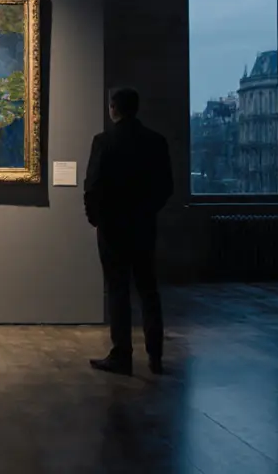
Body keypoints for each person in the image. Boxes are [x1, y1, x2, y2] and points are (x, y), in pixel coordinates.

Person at [83, 87, 174, 376]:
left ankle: (122, 354)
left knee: (118, 291)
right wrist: (148, 211)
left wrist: (96, 218)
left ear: (113, 108)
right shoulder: (156, 141)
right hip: (143, 225)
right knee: (149, 290)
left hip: (112, 226)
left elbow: (92, 185)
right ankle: (155, 356)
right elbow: (165, 187)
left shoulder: (104, 141)